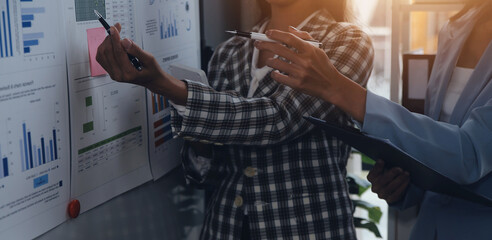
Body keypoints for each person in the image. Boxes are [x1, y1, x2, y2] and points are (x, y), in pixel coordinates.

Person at [96, 0, 374, 238]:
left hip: (308, 230)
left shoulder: (347, 42)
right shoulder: (229, 51)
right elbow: (211, 172)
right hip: (224, 228)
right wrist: (202, 141)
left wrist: (169, 87)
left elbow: (279, 120)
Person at [254, 0, 492, 239]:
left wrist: (339, 88)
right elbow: (436, 147)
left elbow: (469, 155)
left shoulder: (347, 40)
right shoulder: (456, 28)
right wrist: (404, 183)